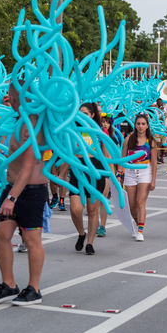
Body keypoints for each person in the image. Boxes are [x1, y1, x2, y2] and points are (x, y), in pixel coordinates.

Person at [0, 83, 50, 305]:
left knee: (32, 240)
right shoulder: (20, 122)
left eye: (10, 97)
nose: (8, 100)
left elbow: (28, 166)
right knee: (1, 233)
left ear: (15, 98)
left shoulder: (31, 124)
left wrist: (11, 198)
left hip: (30, 192)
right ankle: (9, 285)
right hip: (13, 189)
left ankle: (34, 289)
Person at [68, 102, 115, 255]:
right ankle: (82, 234)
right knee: (75, 209)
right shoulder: (73, 131)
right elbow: (68, 154)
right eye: (79, 113)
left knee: (92, 209)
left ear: (92, 115)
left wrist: (113, 176)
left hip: (96, 172)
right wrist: (62, 174)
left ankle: (90, 243)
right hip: (77, 171)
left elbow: (107, 156)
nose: (82, 116)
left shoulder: (100, 131)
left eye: (85, 113)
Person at [121, 114, 157, 241]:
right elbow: (123, 159)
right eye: (138, 124)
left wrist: (153, 180)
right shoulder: (128, 139)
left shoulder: (151, 142)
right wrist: (120, 174)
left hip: (145, 172)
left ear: (147, 126)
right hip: (130, 172)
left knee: (140, 202)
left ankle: (140, 230)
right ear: (135, 125)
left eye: (143, 124)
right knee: (131, 205)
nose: (140, 126)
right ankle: (137, 224)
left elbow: (153, 162)